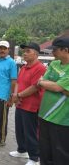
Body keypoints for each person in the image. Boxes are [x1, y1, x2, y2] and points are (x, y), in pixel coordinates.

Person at [9, 42, 46, 165]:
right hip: (20, 103)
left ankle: (34, 158)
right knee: (19, 129)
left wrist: (18, 95)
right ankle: (22, 150)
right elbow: (18, 83)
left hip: (31, 105)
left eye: (28, 51)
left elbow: (35, 87)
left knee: (31, 132)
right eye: (24, 51)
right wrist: (15, 95)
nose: (24, 54)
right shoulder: (24, 67)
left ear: (36, 53)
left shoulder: (40, 68)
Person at [37, 37, 69, 165]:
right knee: (44, 150)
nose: (52, 53)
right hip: (44, 115)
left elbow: (57, 87)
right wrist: (58, 87)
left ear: (65, 50)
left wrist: (56, 86)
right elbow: (41, 81)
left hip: (61, 119)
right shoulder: (54, 64)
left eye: (55, 50)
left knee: (60, 152)